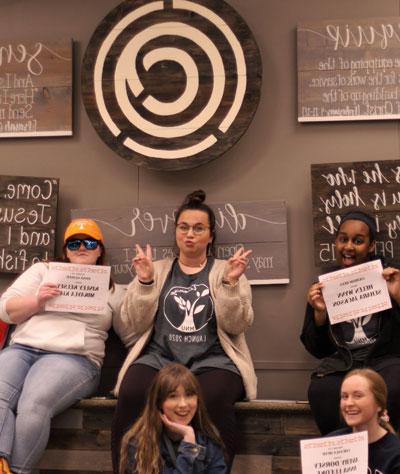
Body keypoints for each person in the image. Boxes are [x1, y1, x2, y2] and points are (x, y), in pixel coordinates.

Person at [112, 189, 256, 473]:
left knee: (213, 398)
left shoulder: (227, 271)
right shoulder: (155, 269)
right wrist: (144, 282)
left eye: (199, 228)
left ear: (211, 236)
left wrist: (229, 285)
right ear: (176, 232)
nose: (190, 234)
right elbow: (133, 323)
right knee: (131, 393)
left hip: (213, 359)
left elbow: (237, 325)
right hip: (159, 357)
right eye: (184, 227)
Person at [0, 218, 133, 474]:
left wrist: (144, 291)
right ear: (65, 250)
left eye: (89, 242)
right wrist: (37, 301)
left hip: (74, 357)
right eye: (74, 243)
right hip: (23, 348)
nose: (81, 247)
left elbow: (130, 333)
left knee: (33, 405)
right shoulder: (42, 271)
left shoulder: (114, 289)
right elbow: (5, 310)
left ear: (99, 249)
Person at [301, 210, 400, 435]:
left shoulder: (391, 277)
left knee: (394, 386)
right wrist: (319, 315)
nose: (349, 246)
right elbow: (317, 350)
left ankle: (387, 450)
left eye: (358, 241)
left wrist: (397, 296)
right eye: (343, 239)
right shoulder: (325, 286)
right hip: (344, 363)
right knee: (322, 390)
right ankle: (343, 452)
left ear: (371, 246)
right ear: (336, 242)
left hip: (384, 360)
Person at [119, 363, 227, 474]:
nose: (183, 404)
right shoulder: (139, 442)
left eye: (189, 395)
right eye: (173, 396)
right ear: (159, 402)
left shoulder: (209, 438)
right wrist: (189, 446)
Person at [328, 368, 400, 473]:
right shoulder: (330, 444)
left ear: (379, 404)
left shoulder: (395, 455)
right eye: (344, 396)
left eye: (358, 396)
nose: (349, 403)